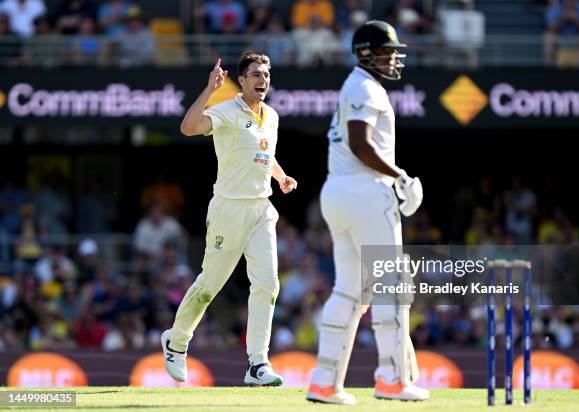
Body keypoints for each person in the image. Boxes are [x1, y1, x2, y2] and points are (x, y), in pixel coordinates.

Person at [306, 20, 428, 404]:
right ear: (366, 53)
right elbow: (360, 141)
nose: (394, 58)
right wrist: (399, 175)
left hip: (337, 191)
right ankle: (392, 379)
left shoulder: (355, 85)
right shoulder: (364, 86)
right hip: (364, 192)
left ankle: (325, 382)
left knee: (350, 291)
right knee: (392, 285)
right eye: (388, 51)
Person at [161, 51, 297, 386]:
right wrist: (209, 90)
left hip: (262, 209)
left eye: (266, 74)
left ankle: (257, 363)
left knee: (268, 284)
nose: (262, 80)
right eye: (255, 75)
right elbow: (188, 127)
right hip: (228, 210)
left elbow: (264, 152)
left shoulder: (272, 116)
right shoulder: (227, 111)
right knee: (210, 286)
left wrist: (280, 176)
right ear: (243, 79)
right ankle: (176, 342)